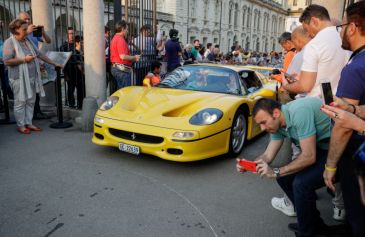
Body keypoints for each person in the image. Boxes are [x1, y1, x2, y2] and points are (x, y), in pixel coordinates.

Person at [237, 97, 338, 236]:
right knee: (285, 179)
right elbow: (268, 155)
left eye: (263, 122)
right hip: (323, 148)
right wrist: (252, 165)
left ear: (276, 113)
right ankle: (312, 223)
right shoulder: (278, 123)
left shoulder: (299, 112)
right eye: (259, 124)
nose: (262, 128)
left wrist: (275, 171)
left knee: (300, 184)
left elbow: (309, 156)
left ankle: (307, 231)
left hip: (342, 151)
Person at [322, 1, 365, 236]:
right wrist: (353, 107)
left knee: (358, 215)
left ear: (353, 27)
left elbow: (342, 126)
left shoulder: (356, 67)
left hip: (357, 155)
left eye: (343, 25)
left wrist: (330, 166)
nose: (340, 30)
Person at [2, 19, 62, 134]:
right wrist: (24, 59)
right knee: (20, 102)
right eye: (24, 29)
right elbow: (7, 61)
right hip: (18, 77)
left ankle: (29, 123)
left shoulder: (27, 40)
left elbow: (39, 54)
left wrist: (54, 63)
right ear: (16, 30)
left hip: (32, 76)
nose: (27, 31)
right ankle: (21, 125)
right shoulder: (9, 43)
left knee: (31, 101)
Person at [18, 11, 51, 119]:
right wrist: (27, 31)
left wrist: (43, 32)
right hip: (24, 65)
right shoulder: (16, 32)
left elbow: (48, 41)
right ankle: (29, 114)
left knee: (37, 88)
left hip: (35, 63)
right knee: (27, 90)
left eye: (28, 19)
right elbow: (19, 39)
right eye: (25, 19)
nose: (27, 21)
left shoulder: (33, 32)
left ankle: (37, 111)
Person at [110, 20, 140, 90]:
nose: (127, 31)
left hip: (118, 69)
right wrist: (134, 58)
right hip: (121, 70)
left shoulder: (115, 38)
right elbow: (123, 56)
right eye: (127, 29)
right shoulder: (120, 39)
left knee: (121, 92)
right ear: (123, 29)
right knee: (125, 92)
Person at [60, 27, 84, 109]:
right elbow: (67, 59)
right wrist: (65, 74)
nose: (72, 35)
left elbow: (80, 57)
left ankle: (80, 105)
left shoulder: (77, 44)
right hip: (69, 71)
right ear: (67, 35)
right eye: (70, 33)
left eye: (73, 33)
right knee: (70, 89)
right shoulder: (63, 46)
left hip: (79, 71)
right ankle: (71, 105)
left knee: (81, 89)